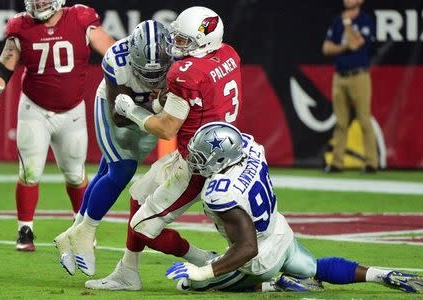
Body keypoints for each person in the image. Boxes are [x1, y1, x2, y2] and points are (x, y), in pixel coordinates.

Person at [83, 6, 243, 291]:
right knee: (137, 195)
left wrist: (133, 111)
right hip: (213, 149)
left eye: (185, 41)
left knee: (141, 226)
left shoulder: (186, 73)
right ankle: (127, 273)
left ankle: (206, 261)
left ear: (204, 41)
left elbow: (166, 128)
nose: (177, 46)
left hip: (199, 164)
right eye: (177, 38)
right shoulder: (228, 54)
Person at [165, 122, 423, 294]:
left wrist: (204, 270)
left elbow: (247, 247)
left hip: (260, 258)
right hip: (280, 231)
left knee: (188, 285)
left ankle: (273, 285)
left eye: (202, 156)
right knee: (314, 269)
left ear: (222, 158)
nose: (195, 160)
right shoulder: (251, 149)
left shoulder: (218, 193)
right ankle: (380, 274)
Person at [0, 0, 115, 251]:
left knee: (76, 174)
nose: (39, 2)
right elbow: (4, 64)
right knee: (30, 172)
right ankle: (25, 229)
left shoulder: (79, 18)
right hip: (35, 110)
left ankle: (82, 229)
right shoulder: (20, 25)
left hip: (72, 112)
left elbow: (112, 52)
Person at [52, 20, 174, 276]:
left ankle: (72, 233)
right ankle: (86, 233)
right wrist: (156, 106)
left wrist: (159, 105)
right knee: (122, 168)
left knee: (108, 171)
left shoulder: (177, 55)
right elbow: (119, 117)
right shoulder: (117, 59)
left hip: (142, 112)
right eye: (144, 71)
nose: (152, 79)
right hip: (113, 110)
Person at [322, 0, 377, 173]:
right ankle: (337, 163)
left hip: (359, 76)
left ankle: (371, 163)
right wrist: (345, 45)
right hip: (340, 77)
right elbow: (326, 48)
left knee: (364, 119)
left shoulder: (365, 20)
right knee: (341, 122)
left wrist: (347, 24)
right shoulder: (338, 20)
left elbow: (355, 44)